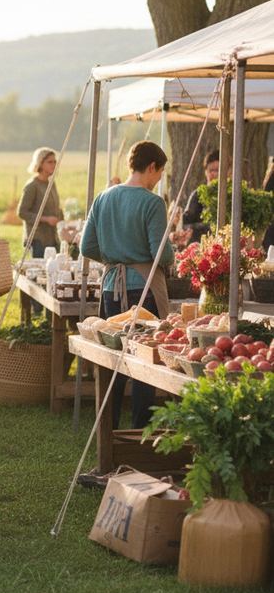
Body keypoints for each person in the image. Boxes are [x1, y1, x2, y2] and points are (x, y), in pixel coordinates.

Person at [80, 141, 174, 430]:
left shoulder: (103, 198)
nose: (159, 179)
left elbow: (86, 246)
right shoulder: (152, 202)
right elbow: (163, 254)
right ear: (151, 167)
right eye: (159, 173)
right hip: (142, 287)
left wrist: (114, 259)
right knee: (145, 358)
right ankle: (139, 430)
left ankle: (108, 425)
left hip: (111, 286)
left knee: (113, 356)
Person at [17, 147, 64, 257]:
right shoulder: (32, 186)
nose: (53, 164)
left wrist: (63, 222)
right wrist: (46, 219)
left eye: (55, 161)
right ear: (40, 163)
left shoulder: (51, 184)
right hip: (37, 239)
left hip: (52, 237)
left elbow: (56, 208)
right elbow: (22, 212)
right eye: (49, 162)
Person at [181, 150, 220, 244]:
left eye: (217, 170)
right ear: (206, 172)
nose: (214, 174)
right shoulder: (197, 195)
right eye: (211, 170)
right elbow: (185, 224)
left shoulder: (231, 196)